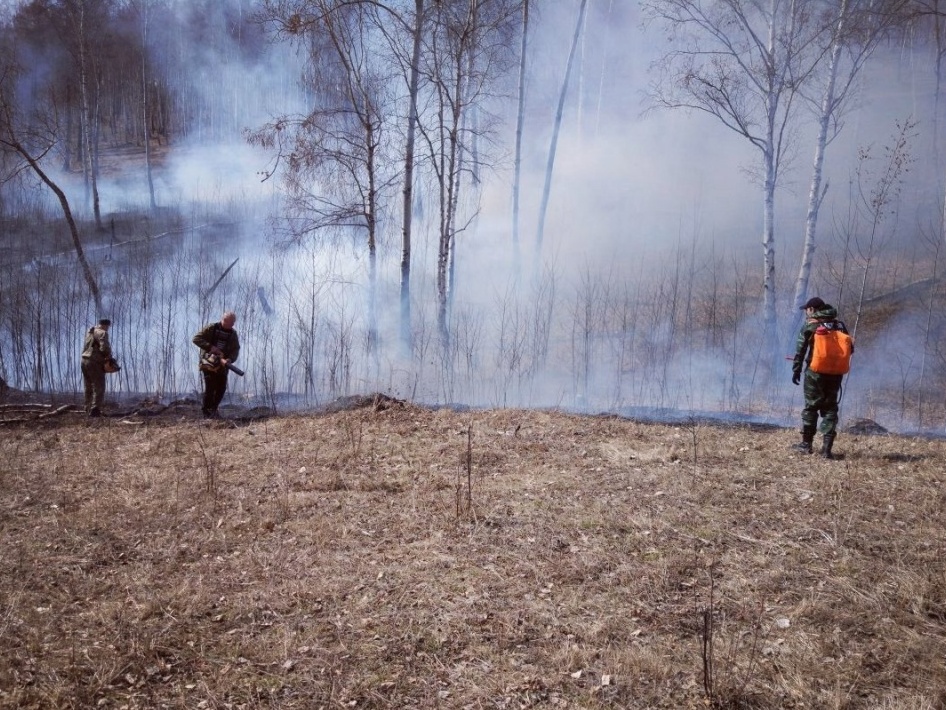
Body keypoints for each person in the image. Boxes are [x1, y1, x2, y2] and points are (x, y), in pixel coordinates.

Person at [791, 297, 850, 459]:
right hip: (835, 374)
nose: (806, 312)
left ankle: (806, 444)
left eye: (807, 309)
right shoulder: (839, 325)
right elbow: (850, 349)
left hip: (815, 373)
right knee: (830, 408)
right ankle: (826, 450)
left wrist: (796, 370)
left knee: (811, 406)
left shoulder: (811, 324)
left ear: (813, 309)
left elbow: (800, 350)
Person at [193, 311, 241, 419]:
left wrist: (229, 359)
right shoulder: (211, 328)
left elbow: (235, 349)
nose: (232, 325)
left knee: (221, 388)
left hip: (222, 366)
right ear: (223, 320)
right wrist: (210, 347)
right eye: (230, 323)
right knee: (210, 388)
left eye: (233, 323)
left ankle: (214, 410)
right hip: (208, 363)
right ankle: (207, 413)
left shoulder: (233, 334)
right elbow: (196, 339)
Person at [81, 318, 112, 416]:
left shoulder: (90, 332)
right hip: (94, 362)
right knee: (99, 385)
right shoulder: (102, 333)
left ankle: (87, 408)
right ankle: (95, 410)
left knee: (88, 386)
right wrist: (108, 357)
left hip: (84, 360)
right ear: (105, 325)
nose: (107, 329)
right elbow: (104, 348)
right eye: (107, 327)